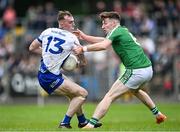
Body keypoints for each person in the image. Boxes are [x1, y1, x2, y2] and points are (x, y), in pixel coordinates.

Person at [73, 11, 167, 129]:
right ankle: (158, 114)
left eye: (105, 23)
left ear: (113, 23)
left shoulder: (117, 31)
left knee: (109, 96)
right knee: (135, 91)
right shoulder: (121, 30)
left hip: (136, 70)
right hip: (147, 69)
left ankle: (90, 124)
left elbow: (103, 45)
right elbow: (104, 40)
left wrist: (83, 49)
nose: (102, 26)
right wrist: (85, 37)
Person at [29, 10, 101, 129]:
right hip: (50, 77)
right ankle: (64, 122)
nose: (73, 24)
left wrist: (48, 55)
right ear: (62, 23)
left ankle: (82, 121)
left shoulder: (47, 31)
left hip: (45, 74)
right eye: (70, 22)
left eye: (73, 21)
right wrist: (78, 63)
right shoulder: (71, 38)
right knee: (83, 94)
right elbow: (83, 61)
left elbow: (32, 47)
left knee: (74, 95)